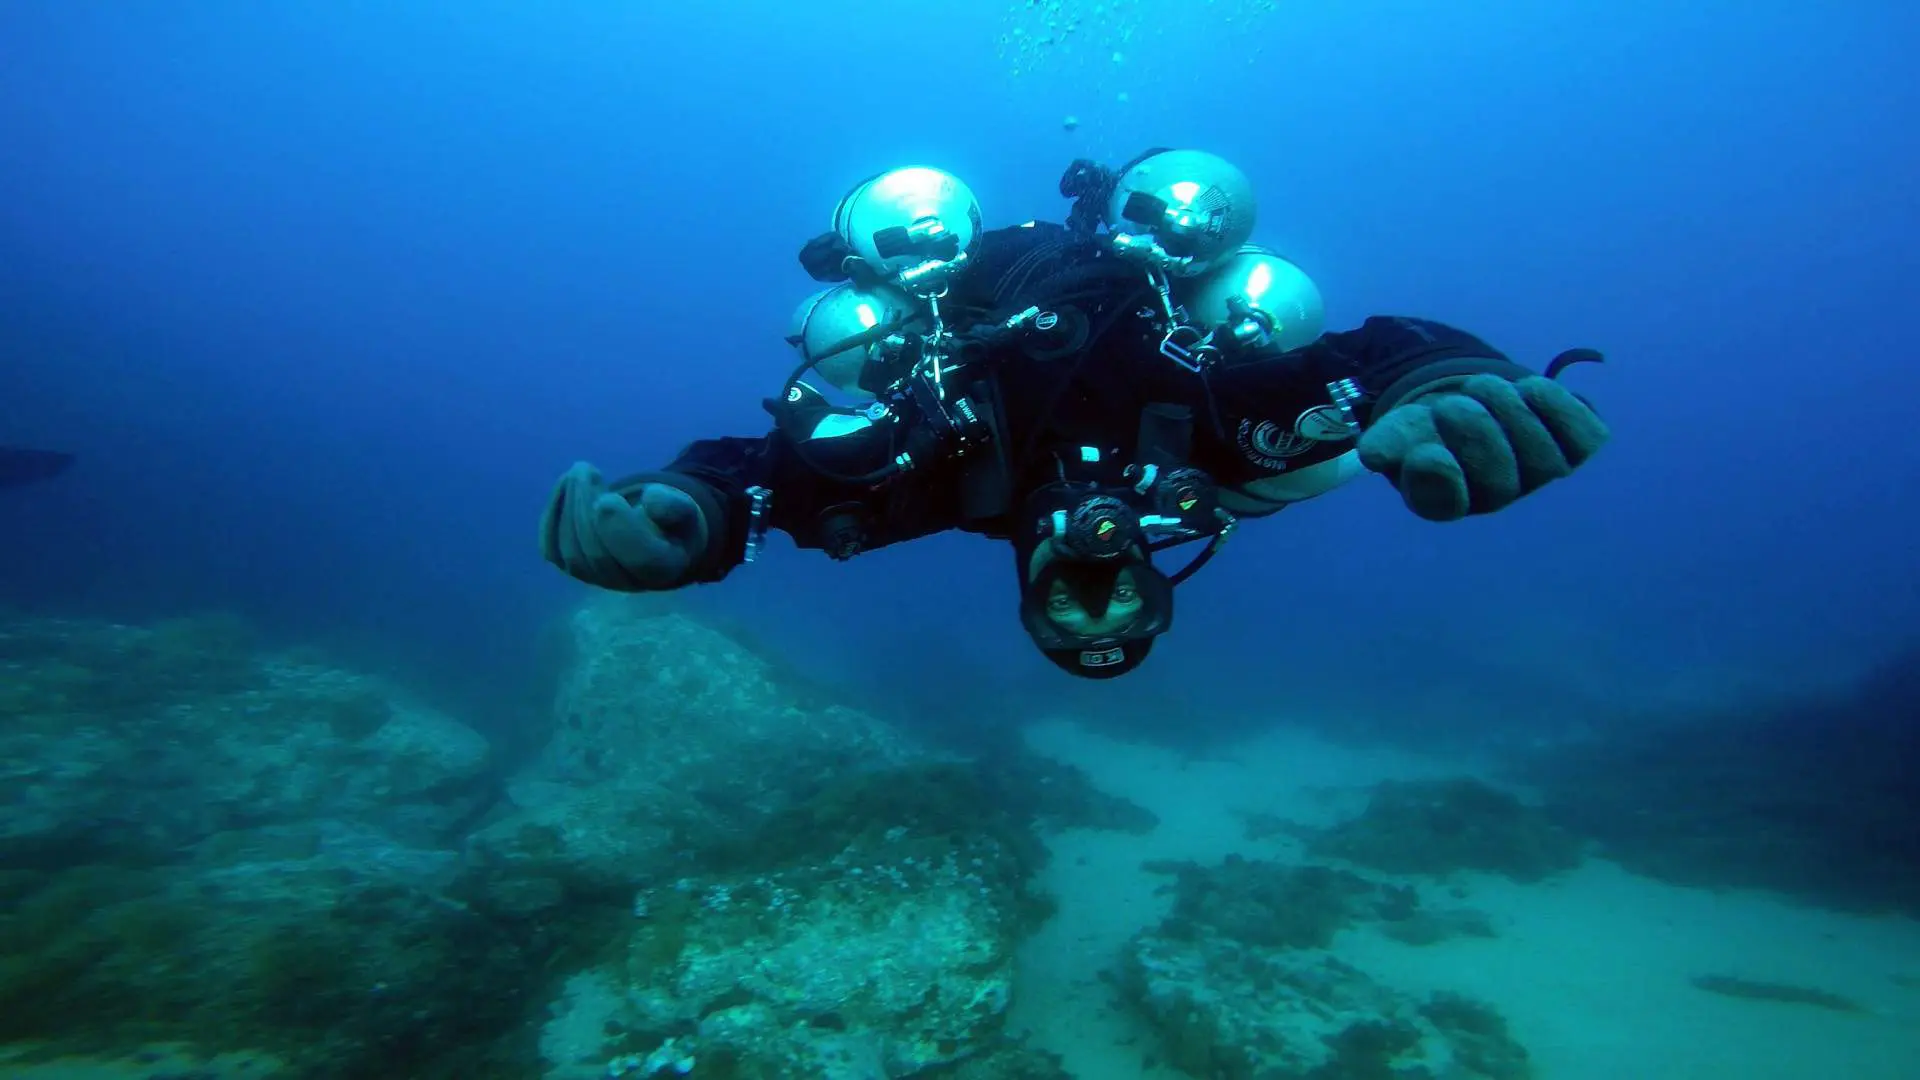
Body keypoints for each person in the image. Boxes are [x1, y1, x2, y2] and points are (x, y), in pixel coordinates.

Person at [541, 151, 1609, 678]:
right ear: (1157, 582)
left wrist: (692, 515)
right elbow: (1368, 357)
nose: (1096, 586)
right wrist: (1445, 380)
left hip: (970, 296)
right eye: (1124, 607)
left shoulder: (944, 485)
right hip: (1114, 272)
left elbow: (771, 477)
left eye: (1070, 615)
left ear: (1031, 601)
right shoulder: (1218, 450)